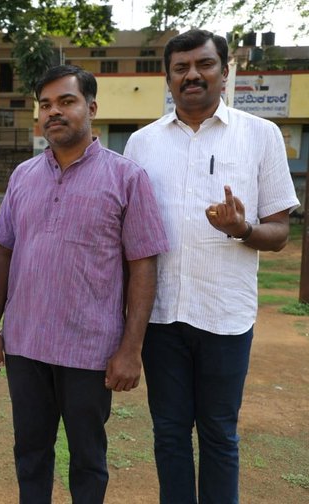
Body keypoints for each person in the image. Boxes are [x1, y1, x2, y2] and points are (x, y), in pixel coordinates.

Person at [123, 29, 300, 504]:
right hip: (161, 317)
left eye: (204, 65)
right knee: (170, 434)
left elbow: (280, 232)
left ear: (226, 72)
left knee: (220, 434)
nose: (192, 75)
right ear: (168, 78)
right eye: (180, 68)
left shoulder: (260, 136)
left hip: (225, 315)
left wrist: (242, 229)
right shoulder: (141, 144)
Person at [0, 65, 169, 503]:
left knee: (87, 458)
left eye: (66, 101)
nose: (54, 112)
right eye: (45, 104)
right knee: (30, 453)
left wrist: (130, 349)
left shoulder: (127, 178)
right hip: (25, 345)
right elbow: (4, 253)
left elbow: (143, 266)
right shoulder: (22, 176)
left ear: (92, 108)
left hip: (89, 351)